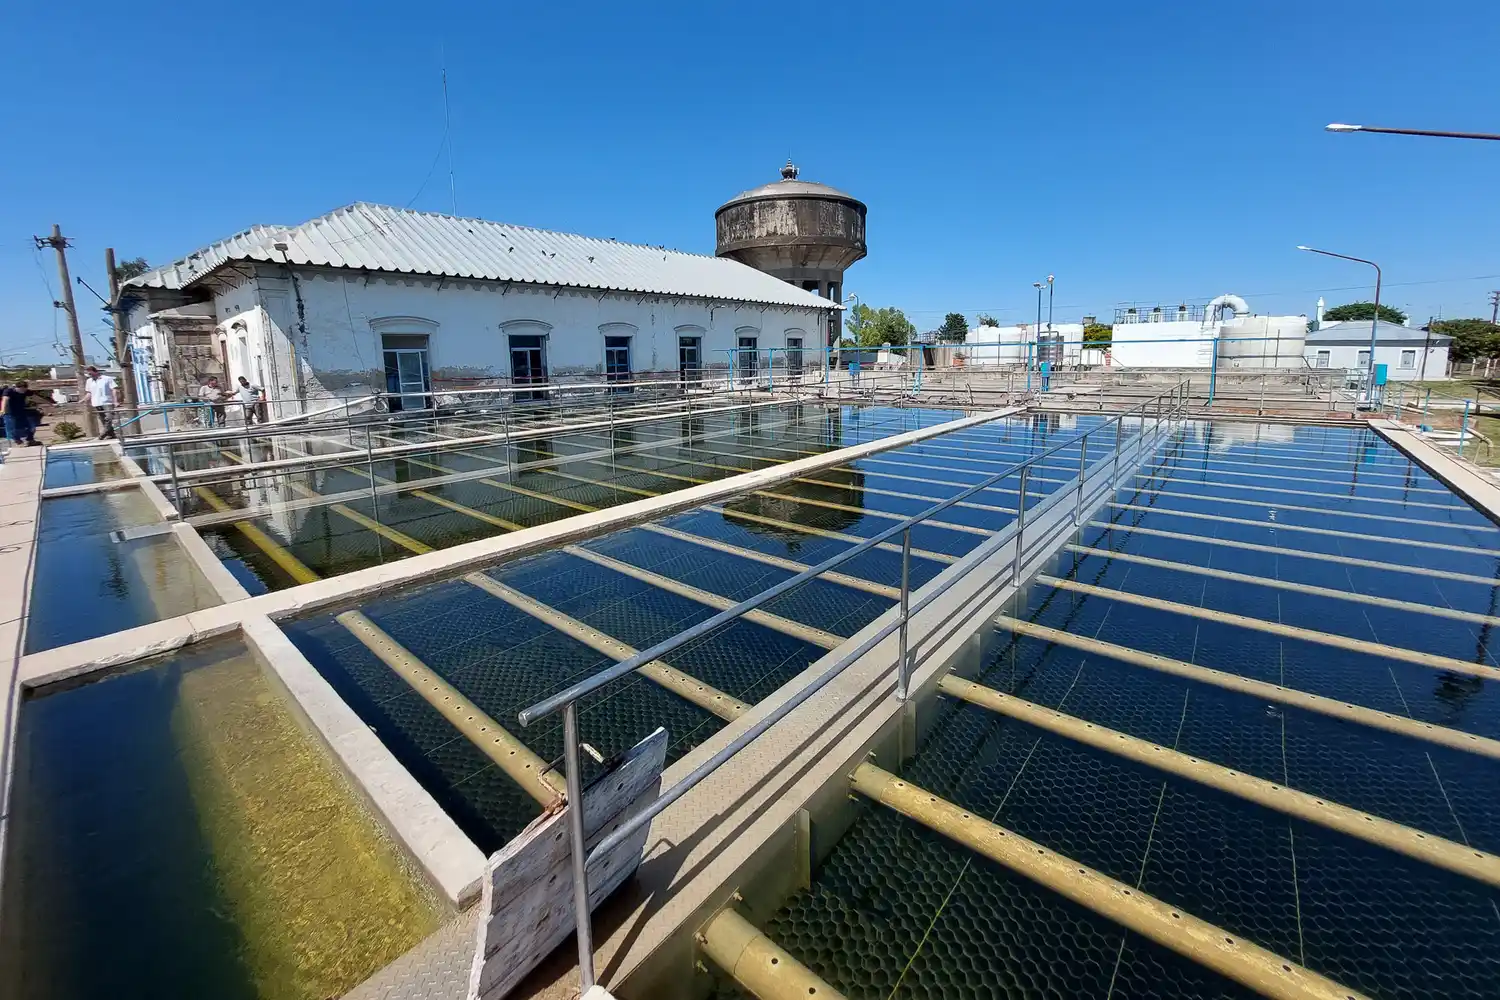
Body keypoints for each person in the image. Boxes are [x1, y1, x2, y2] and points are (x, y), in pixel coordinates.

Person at [84, 365, 119, 439]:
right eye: (89, 374)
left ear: (95, 372)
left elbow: (114, 390)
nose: (90, 376)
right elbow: (89, 393)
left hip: (107, 402)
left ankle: (103, 433)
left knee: (108, 418)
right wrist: (83, 400)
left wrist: (116, 401)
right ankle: (111, 434)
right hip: (96, 403)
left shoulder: (107, 379)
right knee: (103, 419)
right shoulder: (89, 381)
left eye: (91, 374)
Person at [1, 381, 37, 447]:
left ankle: (30, 440)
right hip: (9, 413)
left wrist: (50, 403)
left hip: (21, 412)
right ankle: (18, 442)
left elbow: (36, 397)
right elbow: (4, 400)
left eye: (24, 390)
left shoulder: (26, 391)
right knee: (13, 428)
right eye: (22, 390)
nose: (23, 391)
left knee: (31, 426)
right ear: (17, 388)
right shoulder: (9, 391)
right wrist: (3, 410)